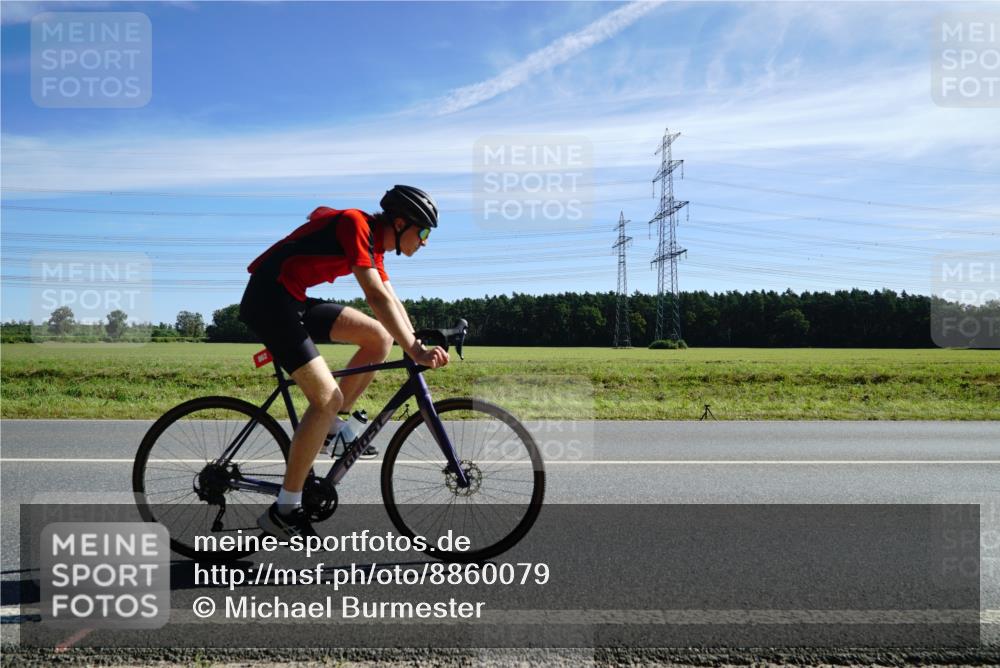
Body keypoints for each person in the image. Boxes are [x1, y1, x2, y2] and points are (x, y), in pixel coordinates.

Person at [238, 185, 449, 539]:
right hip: (268, 301)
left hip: (294, 299)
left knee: (379, 337)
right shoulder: (356, 224)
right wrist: (414, 350)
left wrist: (415, 339)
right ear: (400, 223)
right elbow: (375, 295)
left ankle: (331, 429)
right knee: (326, 398)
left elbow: (391, 300)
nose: (425, 241)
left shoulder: (375, 245)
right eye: (423, 231)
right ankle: (285, 509)